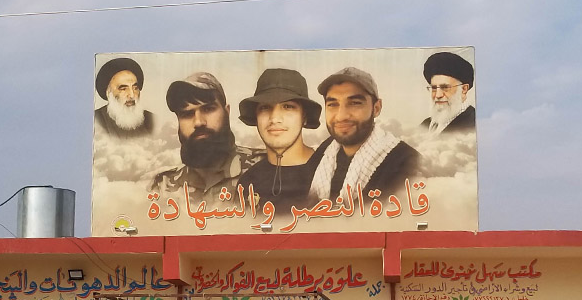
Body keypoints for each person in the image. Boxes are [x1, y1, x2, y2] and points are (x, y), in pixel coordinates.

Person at [308, 67, 421, 202]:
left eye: (355, 103)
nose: (341, 116)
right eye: (333, 104)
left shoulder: (406, 163)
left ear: (376, 108)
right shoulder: (325, 150)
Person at [151, 72, 262, 204]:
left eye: (208, 109)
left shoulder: (264, 169)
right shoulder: (163, 187)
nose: (198, 122)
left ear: (227, 112)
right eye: (187, 114)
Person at [236, 69, 323, 212]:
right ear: (256, 116)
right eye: (265, 108)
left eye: (288, 107)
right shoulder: (247, 183)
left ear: (304, 117)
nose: (274, 119)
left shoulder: (331, 174)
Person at [93, 57, 155, 140]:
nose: (132, 95)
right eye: (123, 89)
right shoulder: (96, 120)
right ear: (108, 93)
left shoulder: (150, 119)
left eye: (135, 88)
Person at [420, 51, 475, 135]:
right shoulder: (425, 124)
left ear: (464, 89)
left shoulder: (473, 123)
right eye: (434, 88)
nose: (438, 95)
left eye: (445, 87)